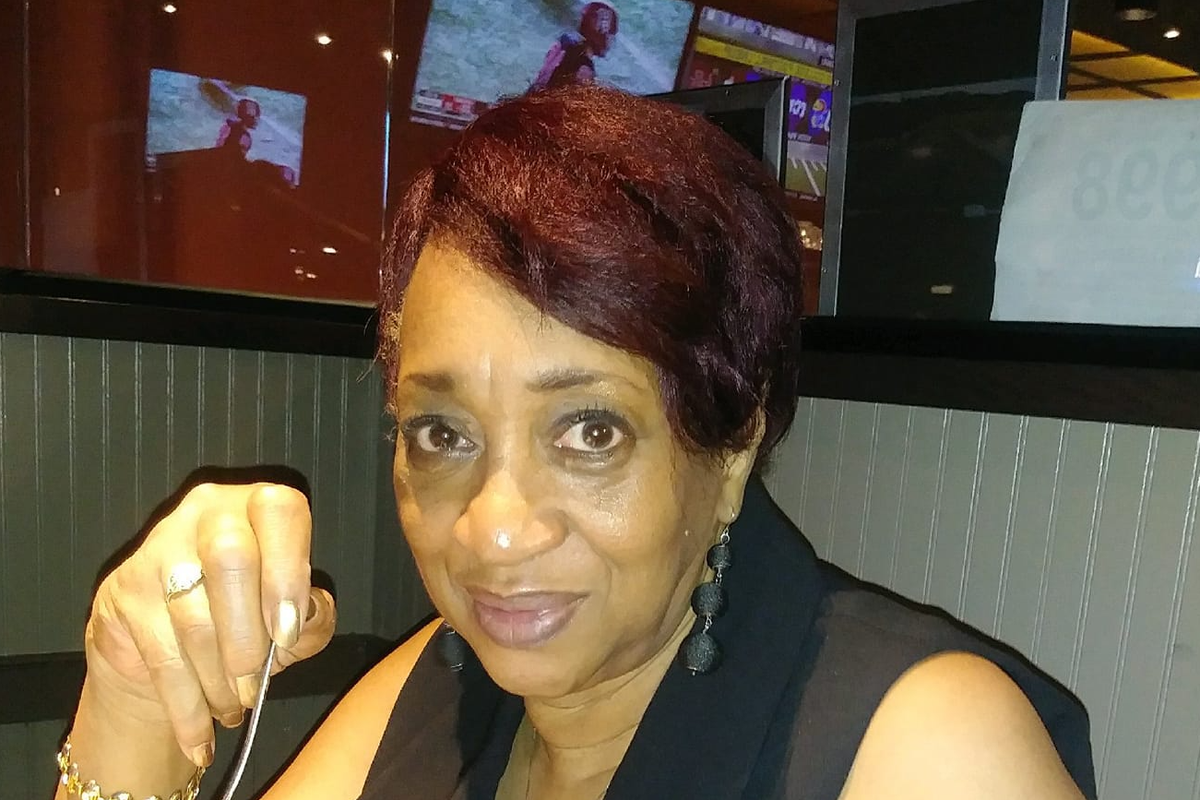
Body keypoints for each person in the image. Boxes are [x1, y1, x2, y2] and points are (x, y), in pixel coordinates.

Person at [55, 83, 1097, 800]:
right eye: (442, 431)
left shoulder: (928, 749)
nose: (495, 531)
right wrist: (131, 694)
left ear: (732, 446)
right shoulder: (443, 689)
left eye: (590, 430)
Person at [531, 2, 618, 90]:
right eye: (611, 33)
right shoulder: (584, 68)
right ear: (602, 33)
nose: (611, 39)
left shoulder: (564, 48)